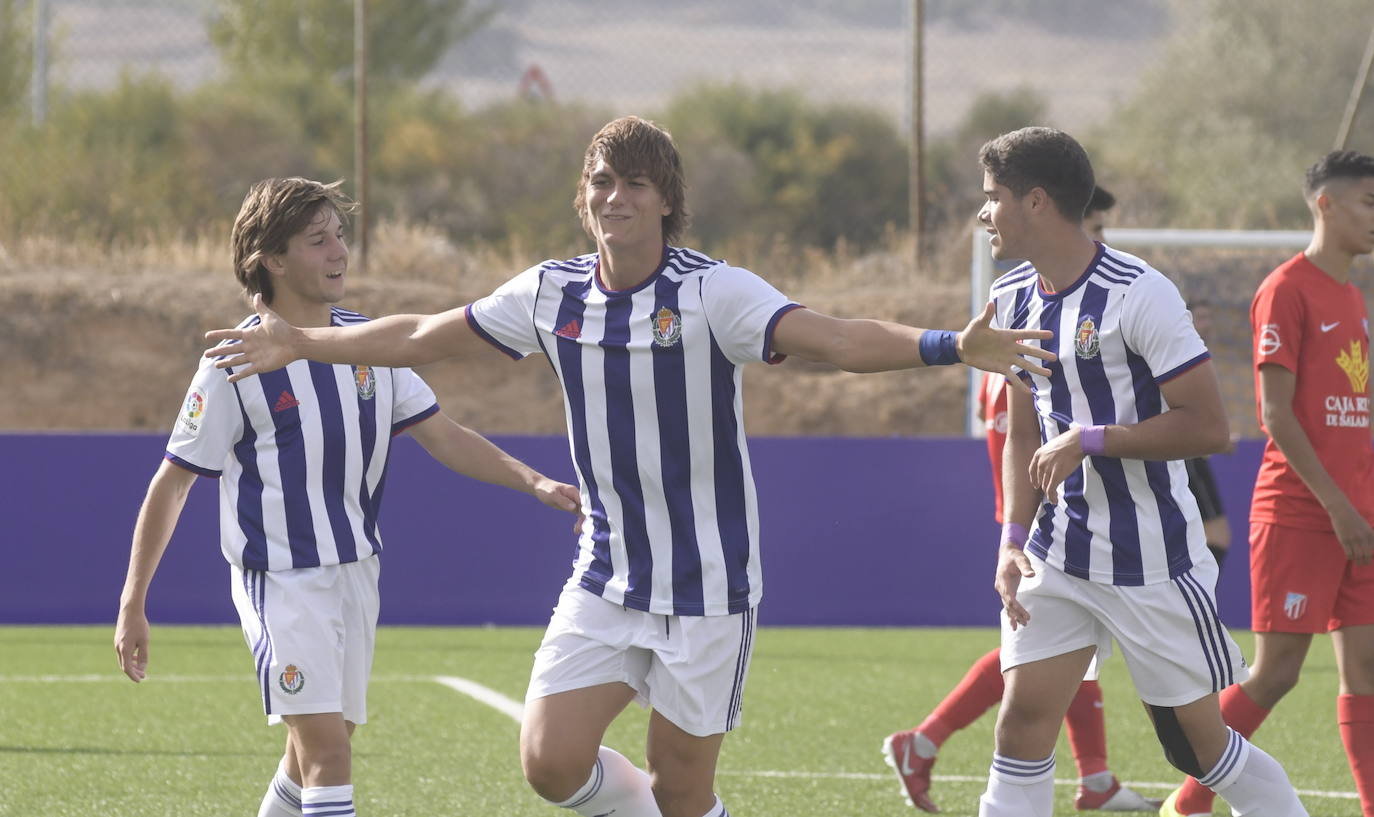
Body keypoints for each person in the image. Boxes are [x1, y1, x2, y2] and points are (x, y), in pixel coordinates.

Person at [196, 116, 1057, 817]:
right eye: (601, 181)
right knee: (548, 759)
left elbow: (834, 337)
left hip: (710, 588)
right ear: (583, 198)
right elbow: (422, 335)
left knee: (684, 790)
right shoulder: (550, 294)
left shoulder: (713, 293)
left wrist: (952, 346)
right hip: (606, 576)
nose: (616, 197)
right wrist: (299, 341)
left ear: (667, 201)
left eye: (635, 183)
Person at [113, 177, 581, 817]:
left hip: (357, 573)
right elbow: (173, 482)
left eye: (340, 236)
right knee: (329, 751)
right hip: (281, 581)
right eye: (317, 240)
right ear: (273, 259)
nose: (339, 252)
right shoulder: (233, 364)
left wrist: (535, 481)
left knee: (313, 757)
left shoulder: (368, 346)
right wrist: (133, 600)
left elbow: (443, 436)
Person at [975, 126, 1308, 817]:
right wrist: (1011, 539)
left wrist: (1091, 438)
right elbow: (1023, 432)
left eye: (993, 197)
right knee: (1021, 723)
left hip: (1150, 555)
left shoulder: (1140, 293)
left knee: (1199, 750)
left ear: (1036, 201)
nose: (985, 214)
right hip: (1058, 552)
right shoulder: (1010, 298)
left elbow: (1210, 427)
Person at [883, 187, 1160, 813]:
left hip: (1051, 514)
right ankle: (926, 743)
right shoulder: (1023, 320)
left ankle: (1091, 778)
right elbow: (1014, 430)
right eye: (1096, 223)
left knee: (1062, 651)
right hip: (1038, 518)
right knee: (1042, 650)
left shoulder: (1084, 305)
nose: (1102, 240)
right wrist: (1019, 525)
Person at [1161, 150, 1374, 817]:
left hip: (1355, 513)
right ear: (1326, 204)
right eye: (1370, 202)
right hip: (1302, 511)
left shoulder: (1351, 295)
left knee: (1365, 670)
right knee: (1277, 671)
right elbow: (1275, 414)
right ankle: (1188, 800)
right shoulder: (1286, 288)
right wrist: (1339, 506)